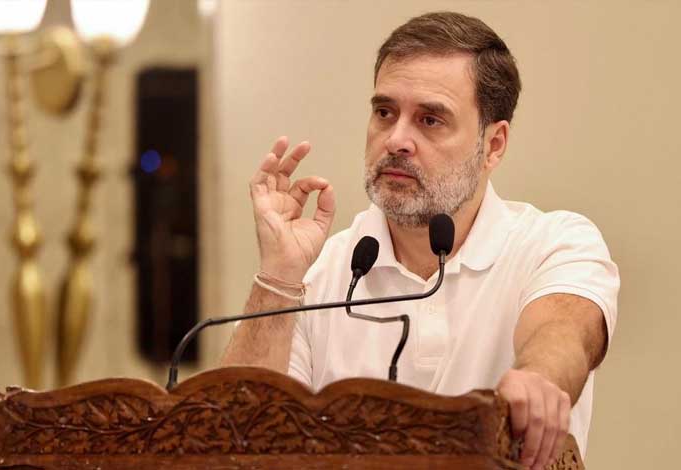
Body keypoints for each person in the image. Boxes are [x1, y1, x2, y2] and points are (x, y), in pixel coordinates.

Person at [221, 11, 619, 470]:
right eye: (384, 112)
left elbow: (566, 333)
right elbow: (232, 435)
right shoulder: (323, 270)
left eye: (430, 120)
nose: (396, 140)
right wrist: (279, 276)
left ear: (493, 145)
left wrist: (539, 377)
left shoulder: (553, 243)